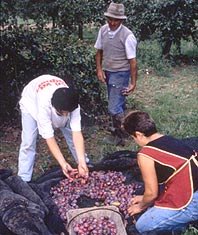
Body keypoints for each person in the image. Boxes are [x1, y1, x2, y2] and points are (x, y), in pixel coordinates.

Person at [122, 110, 198, 234]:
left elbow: (151, 193)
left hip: (192, 200)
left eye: (132, 137)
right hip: (191, 185)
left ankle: (179, 225)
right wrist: (144, 198)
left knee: (142, 226)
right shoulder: (167, 139)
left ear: (139, 134)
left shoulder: (146, 155)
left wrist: (140, 206)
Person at [18, 74, 89, 182]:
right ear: (55, 107)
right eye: (63, 113)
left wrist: (82, 161)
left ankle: (83, 164)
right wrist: (63, 163)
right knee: (29, 140)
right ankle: (24, 177)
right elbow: (49, 138)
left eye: (68, 113)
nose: (66, 116)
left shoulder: (72, 103)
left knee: (70, 132)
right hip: (31, 102)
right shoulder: (44, 106)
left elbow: (77, 133)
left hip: (58, 98)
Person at [94, 2, 138, 145]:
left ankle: (121, 136)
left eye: (116, 20)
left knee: (114, 107)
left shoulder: (127, 36)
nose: (112, 22)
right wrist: (99, 69)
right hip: (108, 72)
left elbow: (133, 62)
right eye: (110, 19)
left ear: (122, 20)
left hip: (121, 73)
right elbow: (99, 52)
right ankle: (123, 130)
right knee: (118, 103)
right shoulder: (103, 30)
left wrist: (133, 83)